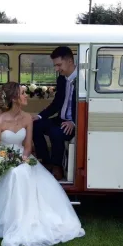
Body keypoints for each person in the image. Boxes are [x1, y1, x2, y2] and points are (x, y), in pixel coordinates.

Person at [0, 81, 85, 246]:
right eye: (23, 93)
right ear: (14, 98)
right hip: (3, 159)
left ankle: (28, 218)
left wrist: (23, 158)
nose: (26, 96)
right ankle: (15, 220)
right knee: (14, 174)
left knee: (22, 172)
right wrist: (9, 159)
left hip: (24, 157)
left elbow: (28, 145)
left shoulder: (27, 118)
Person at [32, 46, 77, 180]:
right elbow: (57, 103)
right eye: (55, 66)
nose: (56, 69)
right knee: (36, 125)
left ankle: (57, 166)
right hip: (60, 119)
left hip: (75, 123)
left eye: (59, 65)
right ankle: (45, 162)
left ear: (70, 61)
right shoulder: (62, 79)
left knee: (56, 132)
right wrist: (39, 116)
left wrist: (74, 122)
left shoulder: (84, 79)